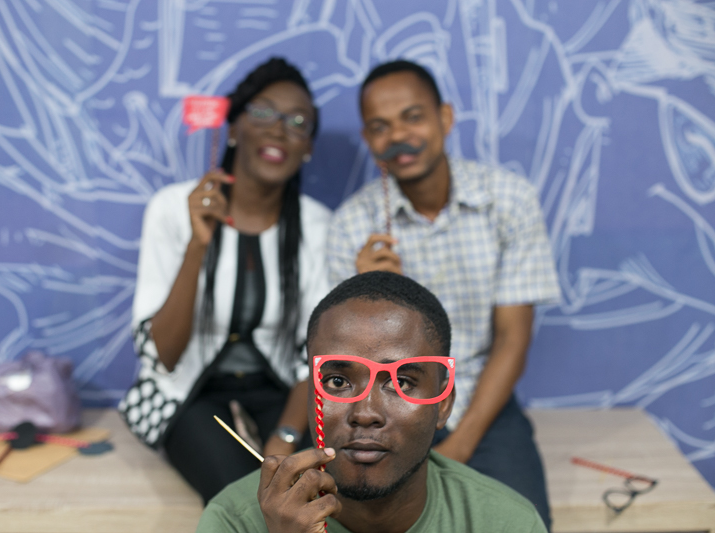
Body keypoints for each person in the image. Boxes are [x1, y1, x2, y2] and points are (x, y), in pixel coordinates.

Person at [326, 60, 561, 528]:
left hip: (482, 403)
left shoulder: (508, 199)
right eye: (380, 127)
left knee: (525, 520)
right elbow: (342, 358)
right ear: (369, 140)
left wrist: (460, 444)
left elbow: (512, 339)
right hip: (386, 403)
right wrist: (364, 291)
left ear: (446, 118)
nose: (399, 136)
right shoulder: (353, 224)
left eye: (412, 117)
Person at [119, 57, 331, 503]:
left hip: (281, 392)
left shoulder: (318, 226)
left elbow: (315, 355)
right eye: (263, 112)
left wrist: (285, 437)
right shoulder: (171, 208)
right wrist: (198, 245)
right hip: (190, 394)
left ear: (308, 147)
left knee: (314, 489)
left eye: (298, 122)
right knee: (239, 498)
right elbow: (164, 356)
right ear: (234, 128)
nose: (279, 129)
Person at [196, 271, 548, 532]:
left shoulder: (507, 523)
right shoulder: (235, 521)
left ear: (443, 404)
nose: (365, 413)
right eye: (337, 381)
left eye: (402, 383)